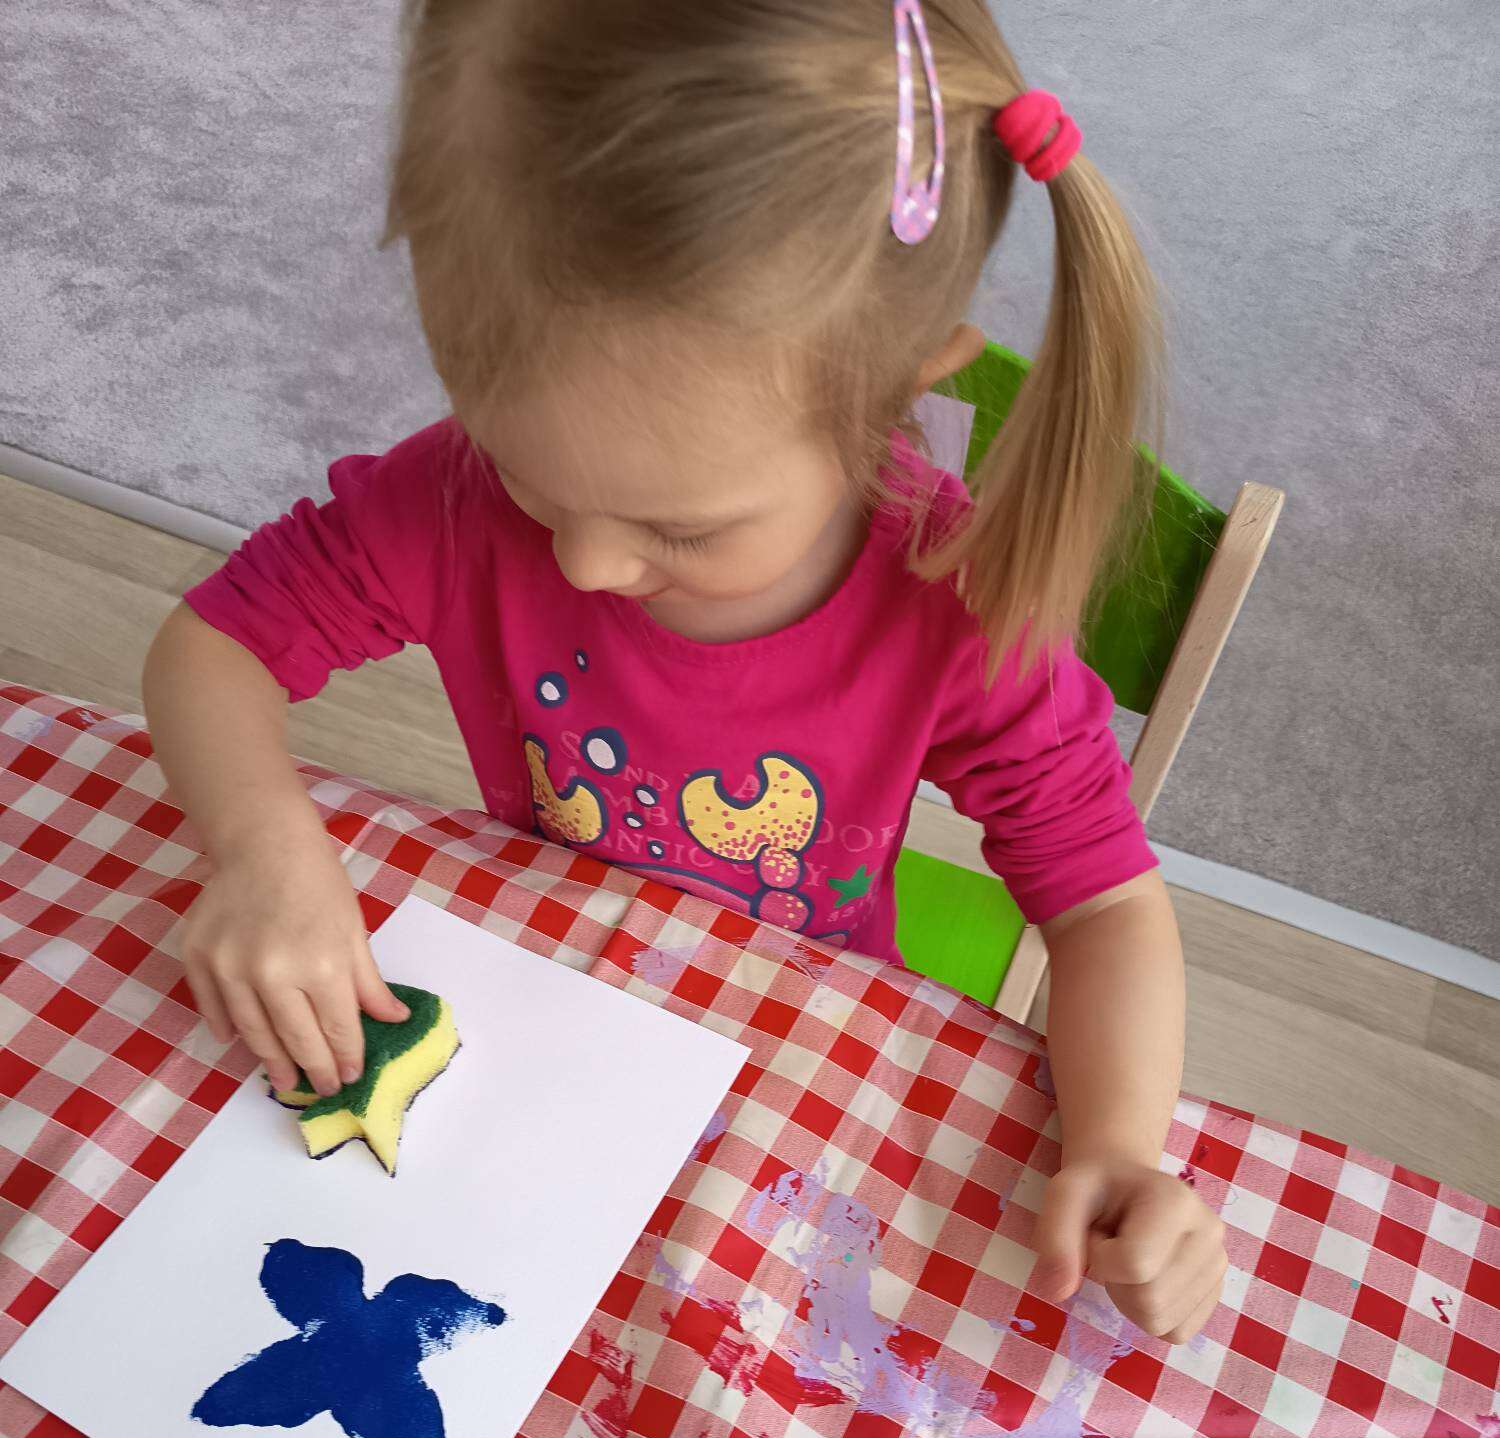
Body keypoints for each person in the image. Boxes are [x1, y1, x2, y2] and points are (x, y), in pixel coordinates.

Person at [143, 0, 1226, 1342]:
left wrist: (1119, 1147)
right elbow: (214, 647)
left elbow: (1106, 902)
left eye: (682, 529)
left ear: (896, 386)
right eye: (531, 475)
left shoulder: (953, 604)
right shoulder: (456, 501)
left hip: (789, 1067)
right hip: (539, 1020)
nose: (586, 562)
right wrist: (265, 852)